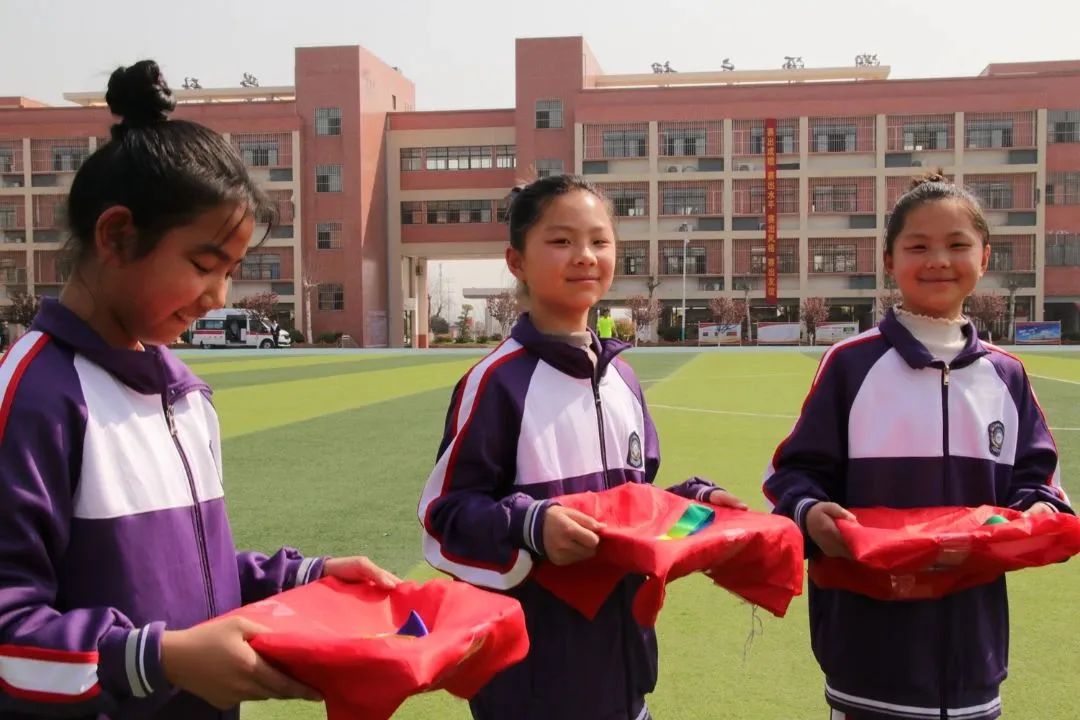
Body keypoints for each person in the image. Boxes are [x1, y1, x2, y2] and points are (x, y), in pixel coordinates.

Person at [0, 60, 400, 720]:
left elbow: (192, 576)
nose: (219, 296)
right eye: (203, 265)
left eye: (232, 271)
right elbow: (11, 631)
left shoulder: (185, 396)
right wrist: (160, 660)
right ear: (116, 235)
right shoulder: (32, 397)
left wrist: (304, 579)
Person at [418, 175, 745, 720]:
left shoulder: (622, 379)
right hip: (530, 687)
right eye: (561, 240)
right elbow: (444, 516)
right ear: (516, 261)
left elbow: (636, 508)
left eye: (599, 240)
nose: (585, 256)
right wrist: (531, 525)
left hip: (625, 673)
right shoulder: (497, 382)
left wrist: (695, 503)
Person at [762, 171, 1072, 720]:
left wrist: (1038, 513)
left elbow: (1038, 482)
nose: (939, 261)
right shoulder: (851, 365)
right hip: (868, 652)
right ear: (889, 260)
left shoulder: (1006, 375)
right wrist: (810, 513)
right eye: (918, 246)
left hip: (974, 655)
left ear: (984, 257)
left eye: (957, 245)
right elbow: (794, 475)